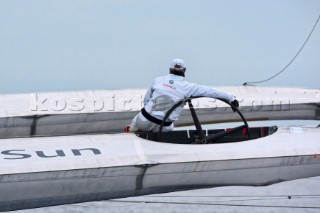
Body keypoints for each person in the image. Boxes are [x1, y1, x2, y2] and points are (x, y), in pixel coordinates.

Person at [128, 58, 239, 132]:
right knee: (171, 126)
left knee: (141, 115)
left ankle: (133, 127)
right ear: (184, 70)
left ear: (169, 69)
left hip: (143, 120)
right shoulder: (188, 87)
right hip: (162, 127)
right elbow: (210, 91)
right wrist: (230, 98)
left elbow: (146, 101)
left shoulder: (158, 80)